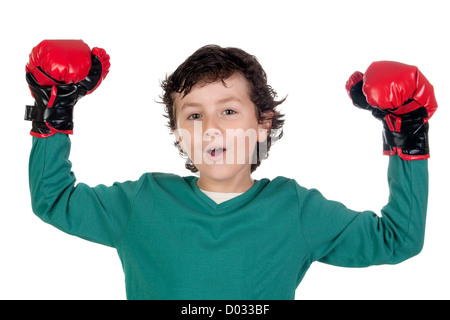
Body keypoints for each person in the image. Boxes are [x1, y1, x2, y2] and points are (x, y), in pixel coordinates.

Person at [25, 40, 437, 300]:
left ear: (263, 124)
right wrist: (53, 111)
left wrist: (408, 135)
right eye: (193, 115)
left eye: (228, 110)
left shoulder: (295, 208)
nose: (211, 129)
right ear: (178, 132)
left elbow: (398, 239)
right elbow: (54, 199)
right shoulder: (143, 201)